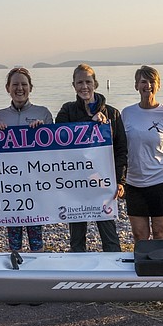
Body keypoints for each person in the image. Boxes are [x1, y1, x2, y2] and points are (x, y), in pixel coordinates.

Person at [54, 63, 127, 252]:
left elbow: (121, 150)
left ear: (95, 83)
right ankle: (78, 275)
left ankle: (115, 272)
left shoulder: (112, 113)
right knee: (77, 237)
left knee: (109, 235)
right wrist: (89, 124)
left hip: (103, 182)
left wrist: (120, 181)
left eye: (88, 81)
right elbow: (59, 140)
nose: (84, 86)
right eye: (79, 82)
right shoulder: (67, 111)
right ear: (73, 85)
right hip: (76, 182)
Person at [121, 65, 163, 243]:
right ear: (136, 86)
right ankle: (143, 268)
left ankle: (159, 269)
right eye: (143, 81)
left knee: (159, 233)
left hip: (162, 180)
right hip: (134, 183)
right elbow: (119, 149)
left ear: (158, 85)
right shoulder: (126, 113)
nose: (147, 85)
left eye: (151, 81)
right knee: (140, 235)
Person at [0, 66, 53, 252]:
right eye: (15, 84)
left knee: (36, 235)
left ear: (30, 88)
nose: (20, 88)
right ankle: (15, 267)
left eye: (24, 84)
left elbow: (55, 152)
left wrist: (43, 131)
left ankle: (39, 268)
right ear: (7, 88)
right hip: (10, 184)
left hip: (35, 182)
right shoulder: (0, 115)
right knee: (14, 234)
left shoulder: (43, 113)